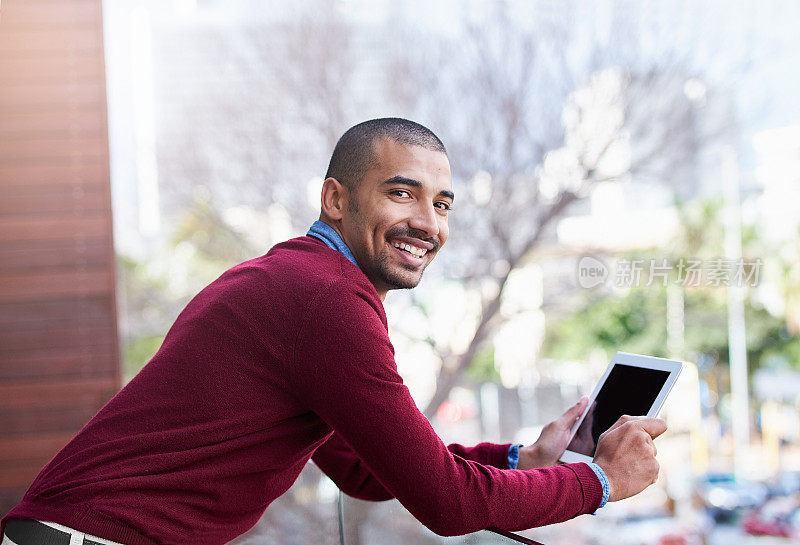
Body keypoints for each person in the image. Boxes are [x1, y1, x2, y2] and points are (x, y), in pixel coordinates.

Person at [1, 118, 666, 545]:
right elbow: (446, 502)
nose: (429, 223)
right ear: (337, 199)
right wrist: (600, 481)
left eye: (441, 204)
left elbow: (363, 470)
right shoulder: (323, 299)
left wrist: (521, 458)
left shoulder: (301, 278)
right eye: (402, 194)